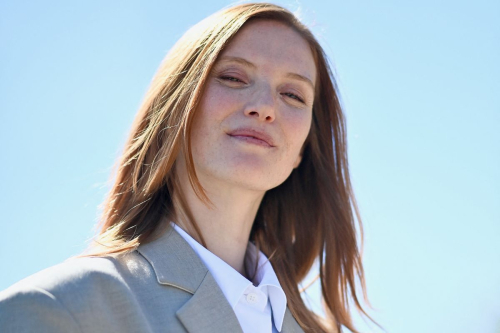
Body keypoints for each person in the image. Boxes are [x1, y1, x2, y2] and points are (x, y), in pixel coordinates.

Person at [0, 3, 372, 332]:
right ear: (175, 108)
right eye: (233, 77)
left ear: (302, 152)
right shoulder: (58, 311)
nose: (265, 107)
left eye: (293, 94)